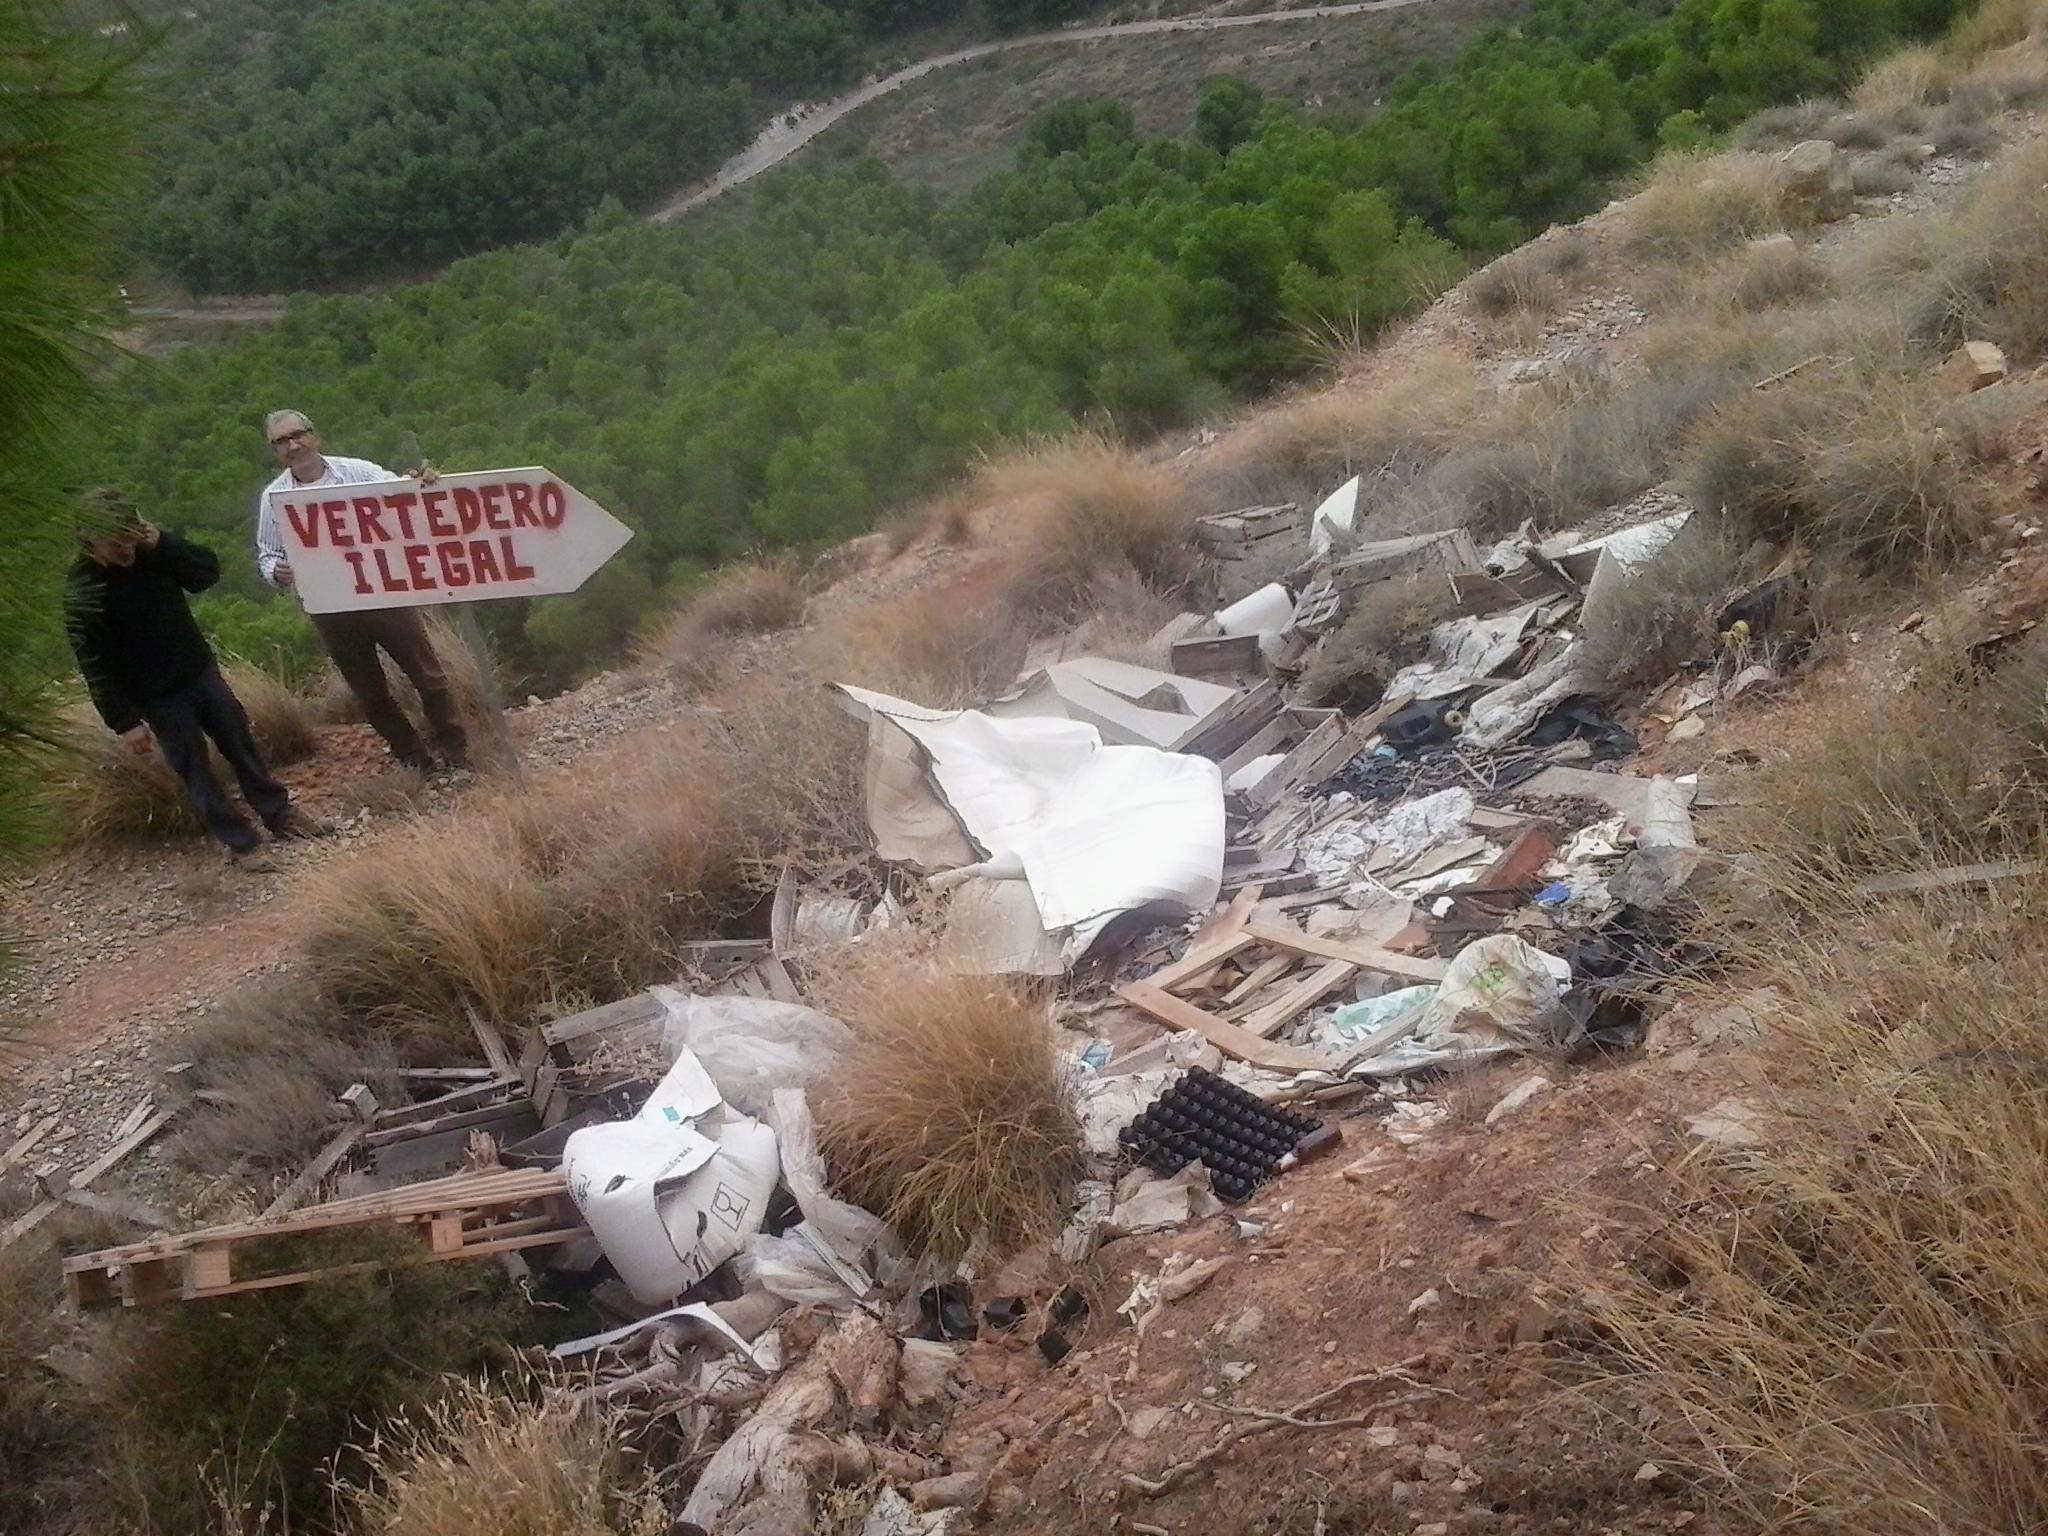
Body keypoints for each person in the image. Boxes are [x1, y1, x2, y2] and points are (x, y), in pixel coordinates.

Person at [65, 489, 328, 871]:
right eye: (115, 543)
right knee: (194, 767)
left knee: (240, 743)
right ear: (90, 541)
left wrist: (165, 544)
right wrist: (124, 721)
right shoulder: (82, 590)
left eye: (130, 537)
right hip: (155, 695)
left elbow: (206, 573)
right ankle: (241, 845)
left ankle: (280, 815)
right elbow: (94, 663)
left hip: (198, 670)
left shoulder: (153, 552)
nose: (126, 549)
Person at [254, 409, 471, 774]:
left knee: (429, 677)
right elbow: (267, 553)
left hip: (384, 593)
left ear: (315, 435)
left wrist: (424, 483)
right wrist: (277, 570)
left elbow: (401, 493)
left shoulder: (357, 471)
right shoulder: (274, 497)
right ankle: (416, 761)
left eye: (298, 435)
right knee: (371, 694)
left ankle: (458, 754)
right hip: (330, 607)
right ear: (274, 450)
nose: (293, 446)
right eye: (281, 441)